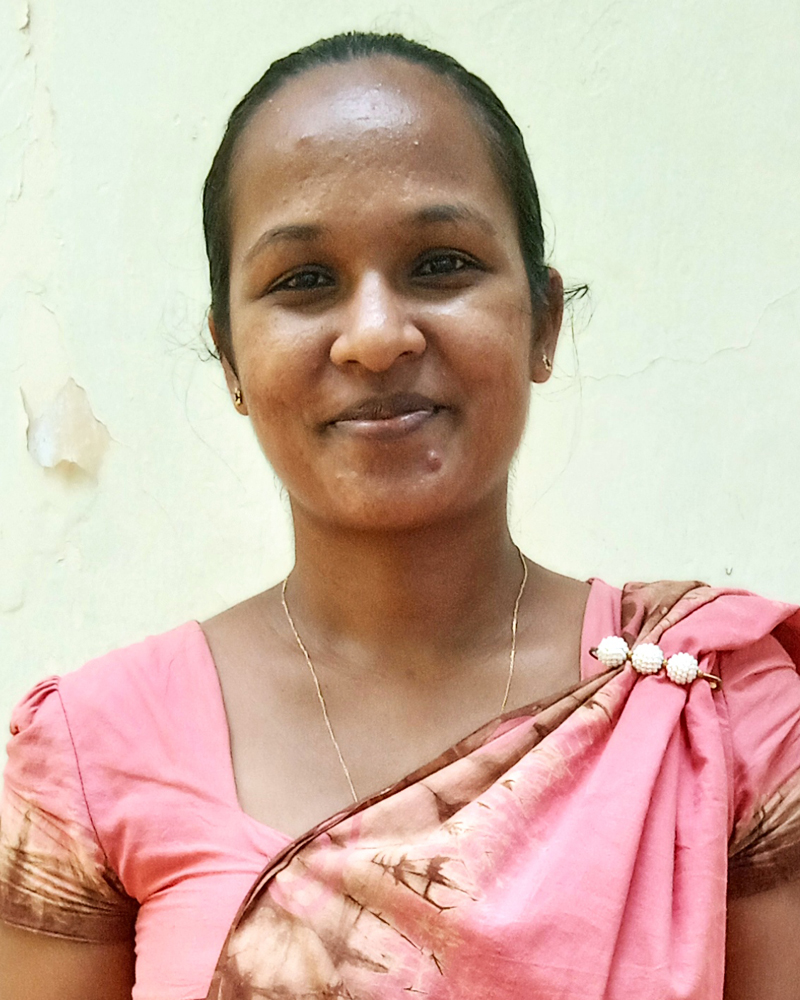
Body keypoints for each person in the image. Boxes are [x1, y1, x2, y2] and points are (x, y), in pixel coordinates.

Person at [1, 30, 799, 1000]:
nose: (376, 336)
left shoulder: (717, 709)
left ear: (543, 321)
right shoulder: (93, 754)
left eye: (440, 263)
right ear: (230, 359)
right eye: (304, 281)